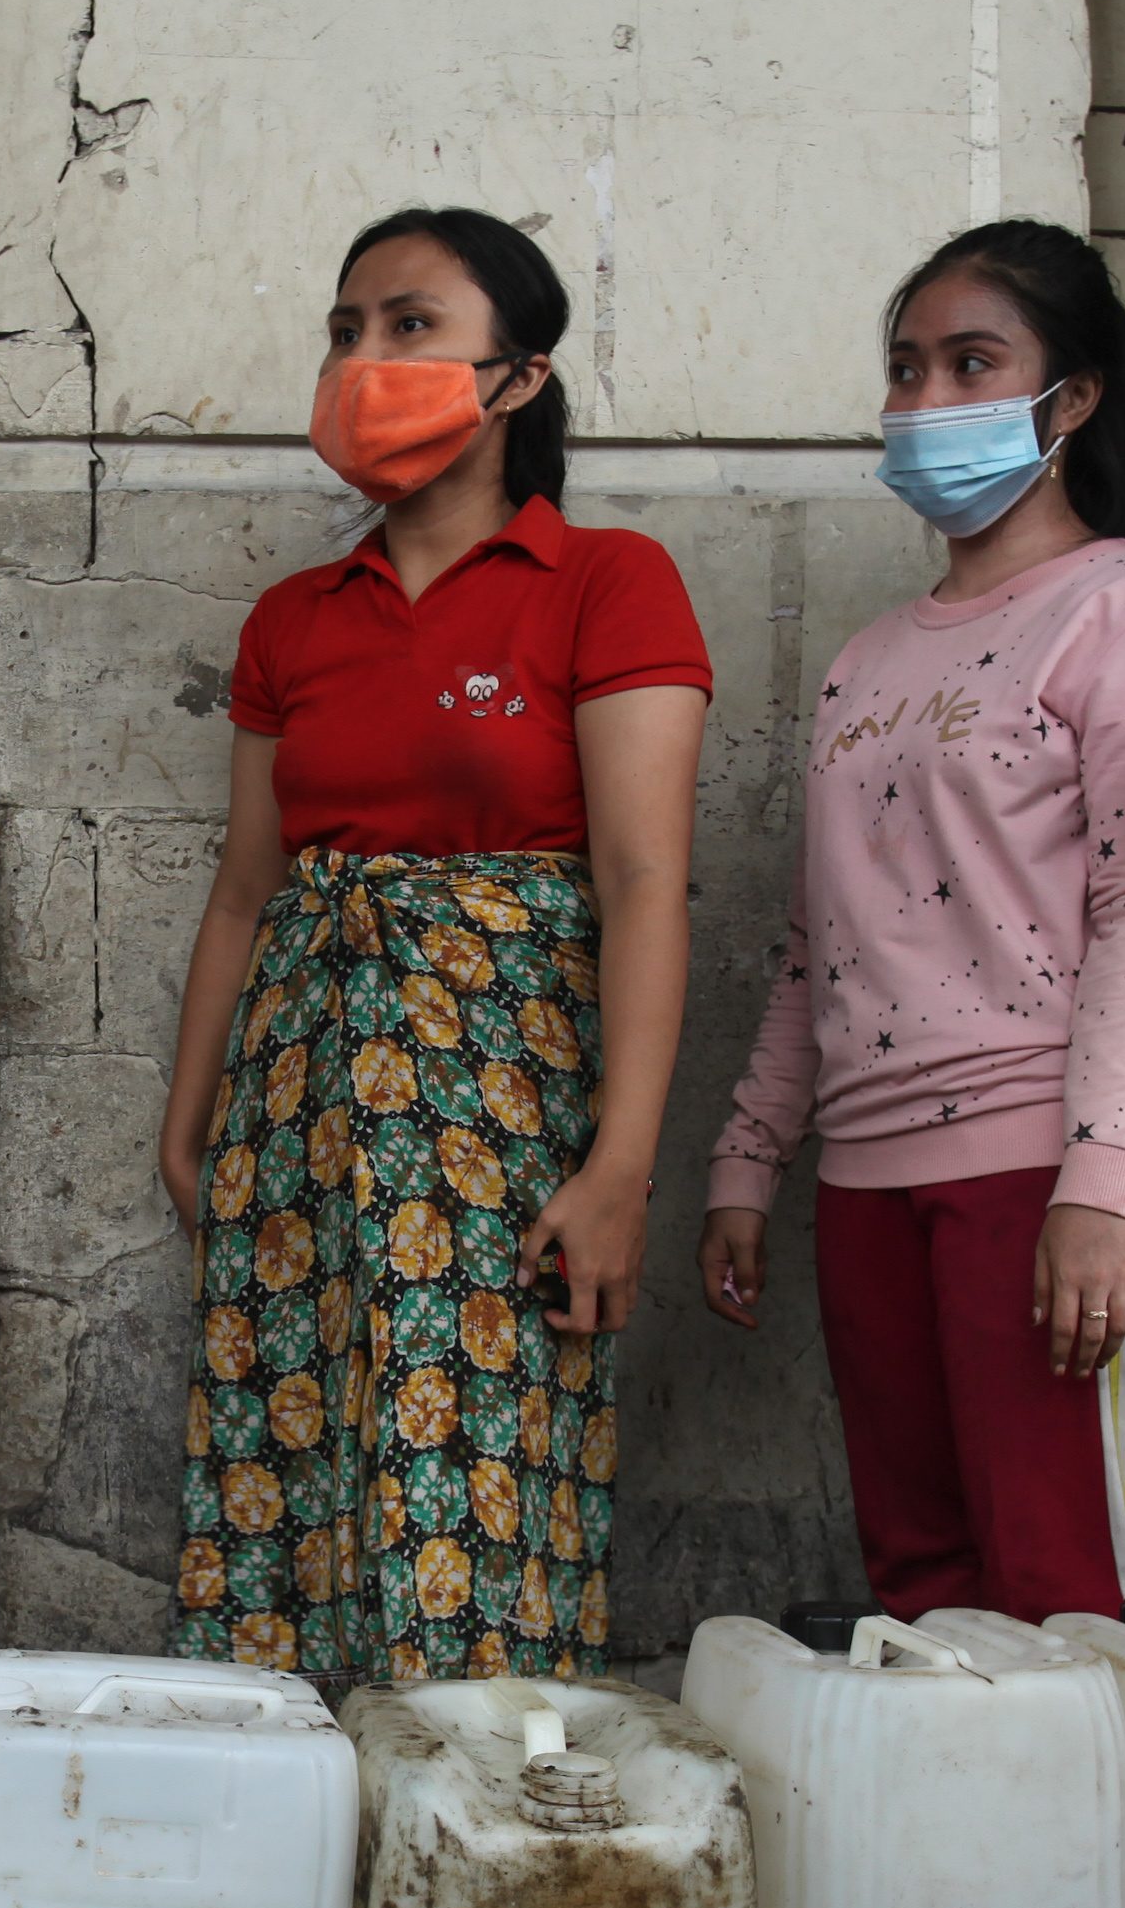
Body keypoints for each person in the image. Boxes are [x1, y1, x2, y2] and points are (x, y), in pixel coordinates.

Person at [156, 206, 710, 1681]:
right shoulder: (294, 618)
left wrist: (621, 1168)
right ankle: (296, 1799)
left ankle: (472, 1808)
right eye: (347, 330)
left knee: (477, 1485)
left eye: (411, 325)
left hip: (500, 1121)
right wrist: (188, 1124)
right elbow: (245, 890)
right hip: (294, 1113)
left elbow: (644, 881)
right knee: (285, 1489)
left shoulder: (607, 582)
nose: (365, 358)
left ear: (518, 375)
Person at [701, 222, 1125, 1622]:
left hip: (1054, 1164)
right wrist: (751, 1157)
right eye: (906, 368)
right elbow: (819, 939)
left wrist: (1102, 1183)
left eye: (971, 363)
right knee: (925, 1607)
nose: (926, 399)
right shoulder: (867, 659)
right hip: (871, 1174)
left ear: (1075, 398)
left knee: (1067, 1596)